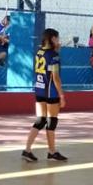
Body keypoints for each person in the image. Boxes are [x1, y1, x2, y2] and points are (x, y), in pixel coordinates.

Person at [22, 28, 68, 163]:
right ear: (53, 39)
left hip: (39, 89)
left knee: (40, 120)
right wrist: (61, 95)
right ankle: (52, 152)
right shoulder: (54, 56)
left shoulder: (39, 52)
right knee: (51, 121)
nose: (59, 41)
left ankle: (27, 150)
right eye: (57, 38)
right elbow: (55, 77)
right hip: (51, 92)